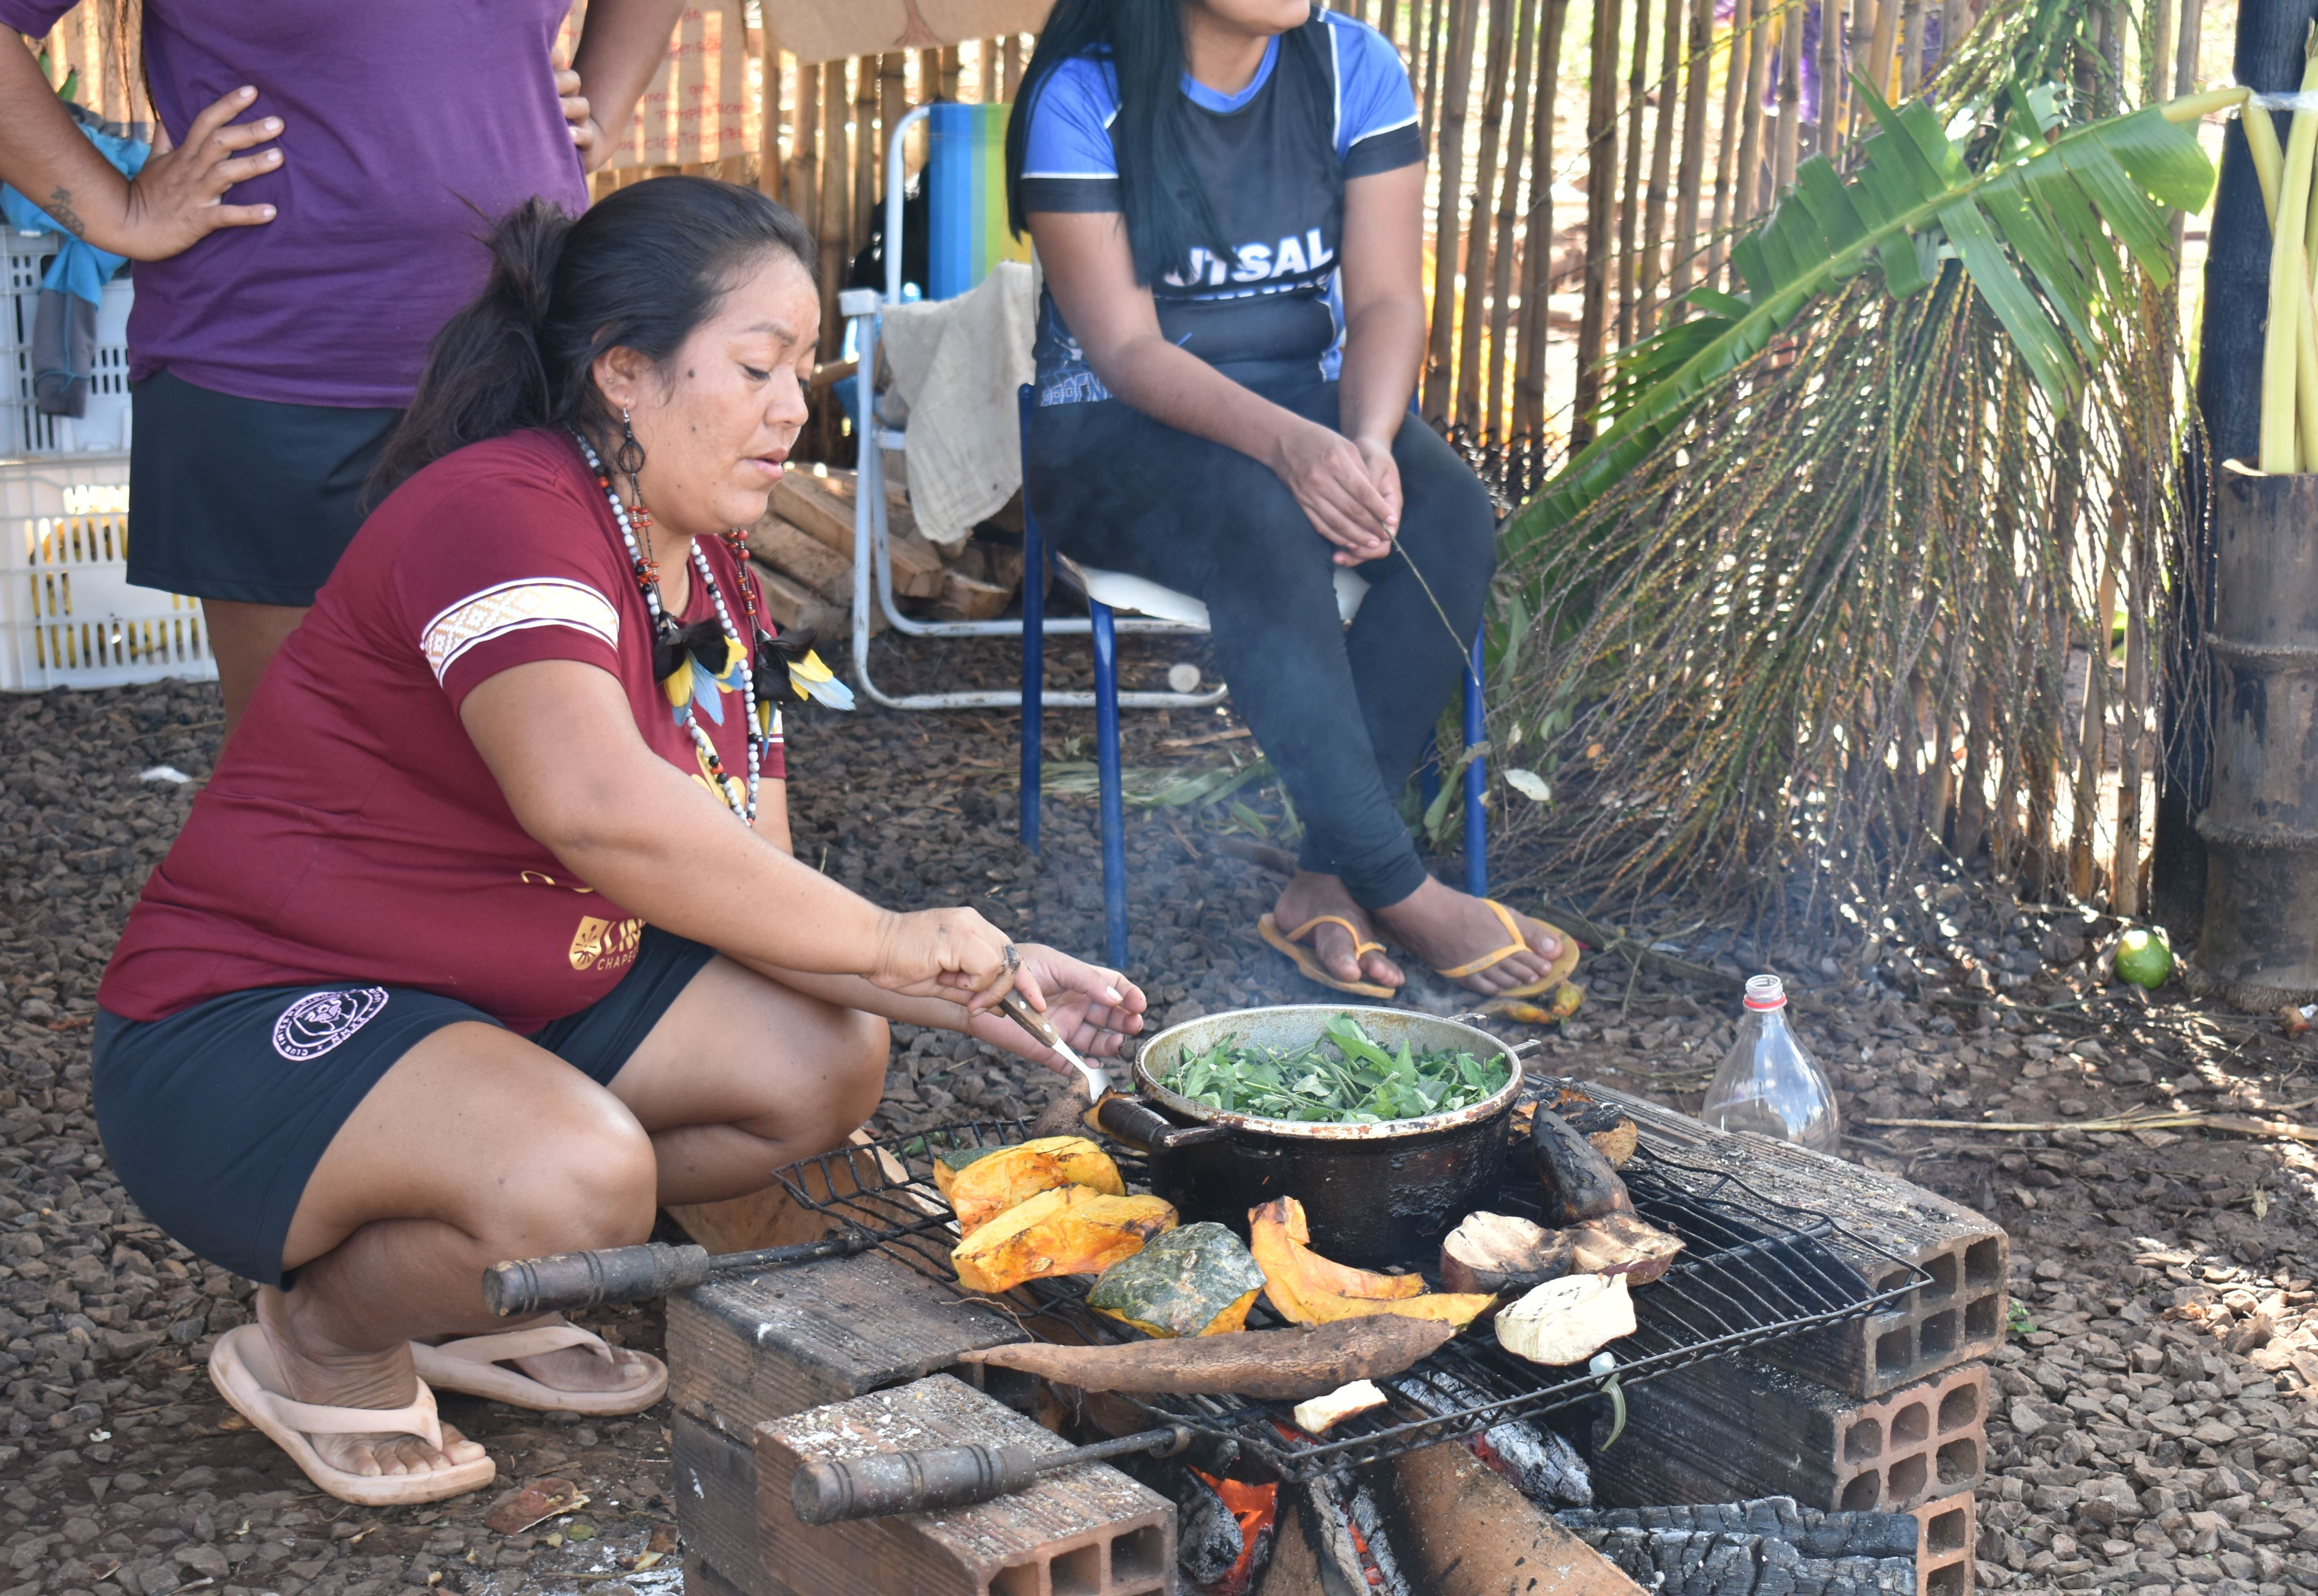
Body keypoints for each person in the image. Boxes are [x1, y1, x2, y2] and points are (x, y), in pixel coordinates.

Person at [91, 176, 1147, 1506]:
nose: (793, 408)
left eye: (802, 370)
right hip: (251, 1017)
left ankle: (464, 1267)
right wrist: (890, 934)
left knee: (825, 1058)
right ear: (626, 374)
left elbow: (741, 877)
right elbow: (591, 806)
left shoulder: (710, 570)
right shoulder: (504, 512)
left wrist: (971, 980)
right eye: (760, 366)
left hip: (500, 1000)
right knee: (584, 1183)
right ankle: (321, 1338)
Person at [1007, 0, 1572, 999]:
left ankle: (1320, 877)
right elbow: (1128, 352)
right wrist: (1294, 452)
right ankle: (1394, 882)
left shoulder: (1353, 67)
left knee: (1445, 512)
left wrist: (1363, 440)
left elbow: (1389, 299)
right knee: (1268, 516)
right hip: (1111, 437)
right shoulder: (1082, 97)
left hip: (1309, 409)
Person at [0, 0, 688, 735]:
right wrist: (115, 213)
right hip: (274, 372)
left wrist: (603, 112)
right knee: (309, 763)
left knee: (541, 756)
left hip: (526, 355)